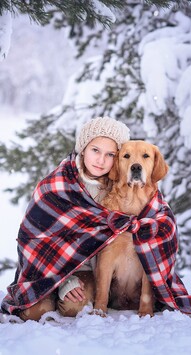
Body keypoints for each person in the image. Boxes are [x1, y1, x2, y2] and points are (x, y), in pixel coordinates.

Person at [1, 116, 130, 321]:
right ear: (83, 148)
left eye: (110, 154)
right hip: (44, 270)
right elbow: (33, 240)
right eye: (95, 150)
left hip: (86, 270)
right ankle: (48, 291)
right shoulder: (55, 185)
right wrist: (63, 281)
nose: (101, 160)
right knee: (31, 313)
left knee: (75, 306)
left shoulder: (119, 191)